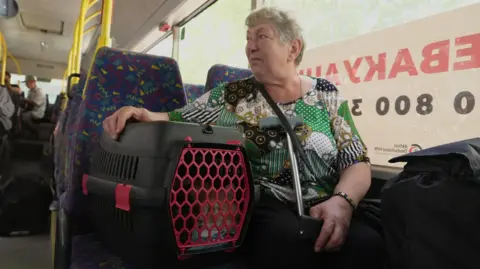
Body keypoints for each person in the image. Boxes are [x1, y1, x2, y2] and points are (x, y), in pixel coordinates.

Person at [103, 7, 385, 269]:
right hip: (266, 203)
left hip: (329, 199)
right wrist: (140, 112)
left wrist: (343, 201)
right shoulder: (232, 96)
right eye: (248, 39)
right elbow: (176, 118)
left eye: (261, 36)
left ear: (293, 48)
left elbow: (356, 160)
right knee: (288, 242)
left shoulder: (326, 94)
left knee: (371, 244)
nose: (250, 46)